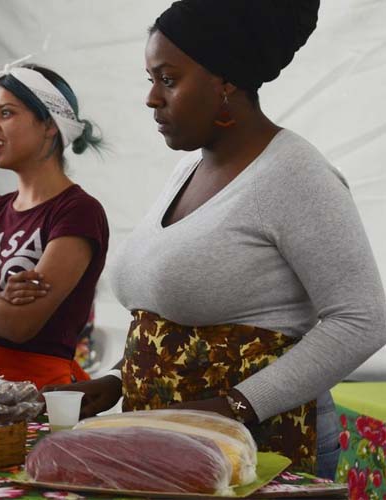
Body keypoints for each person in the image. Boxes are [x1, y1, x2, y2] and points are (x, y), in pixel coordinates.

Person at [45, 0, 386, 480]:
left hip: (257, 451)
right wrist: (117, 379)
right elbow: (180, 318)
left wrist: (237, 406)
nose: (151, 99)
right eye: (151, 79)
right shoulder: (190, 168)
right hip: (173, 446)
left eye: (168, 79)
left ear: (225, 81)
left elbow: (363, 319)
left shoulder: (295, 175)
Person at [0, 61, 108, 389]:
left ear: (50, 125)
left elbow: (20, 326)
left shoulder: (78, 212)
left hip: (33, 394)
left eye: (7, 113)